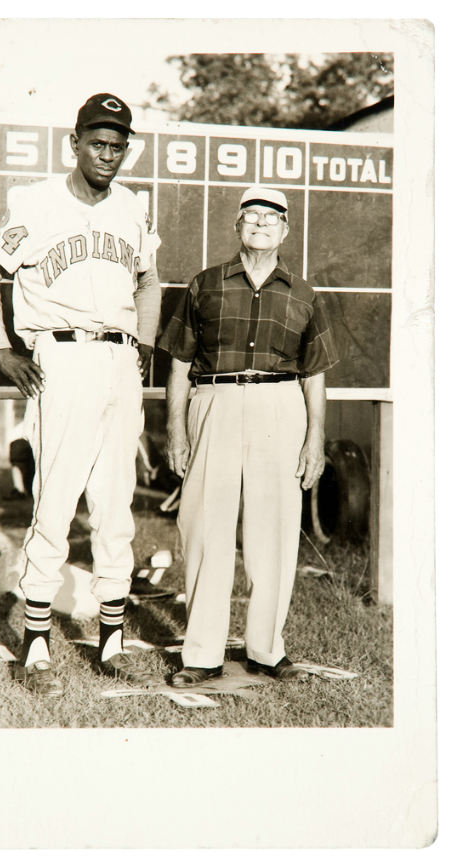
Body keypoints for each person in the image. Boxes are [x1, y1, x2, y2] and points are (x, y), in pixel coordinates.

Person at [0, 93, 161, 696]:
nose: (108, 154)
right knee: (55, 506)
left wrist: (145, 341)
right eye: (98, 142)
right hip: (61, 357)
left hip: (118, 359)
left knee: (114, 504)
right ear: (74, 143)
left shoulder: (133, 208)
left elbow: (150, 279)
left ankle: (109, 640)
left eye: (118, 144)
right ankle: (35, 646)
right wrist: (2, 347)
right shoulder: (35, 203)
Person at [158, 186, 338, 687]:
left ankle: (265, 650)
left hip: (280, 407)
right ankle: (200, 655)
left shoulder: (303, 293)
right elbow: (178, 361)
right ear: (237, 226)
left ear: (285, 230)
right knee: (205, 527)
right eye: (251, 215)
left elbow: (315, 372)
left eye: (272, 217)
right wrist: (175, 427)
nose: (261, 223)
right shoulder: (205, 284)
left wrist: (315, 438)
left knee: (274, 529)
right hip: (213, 400)